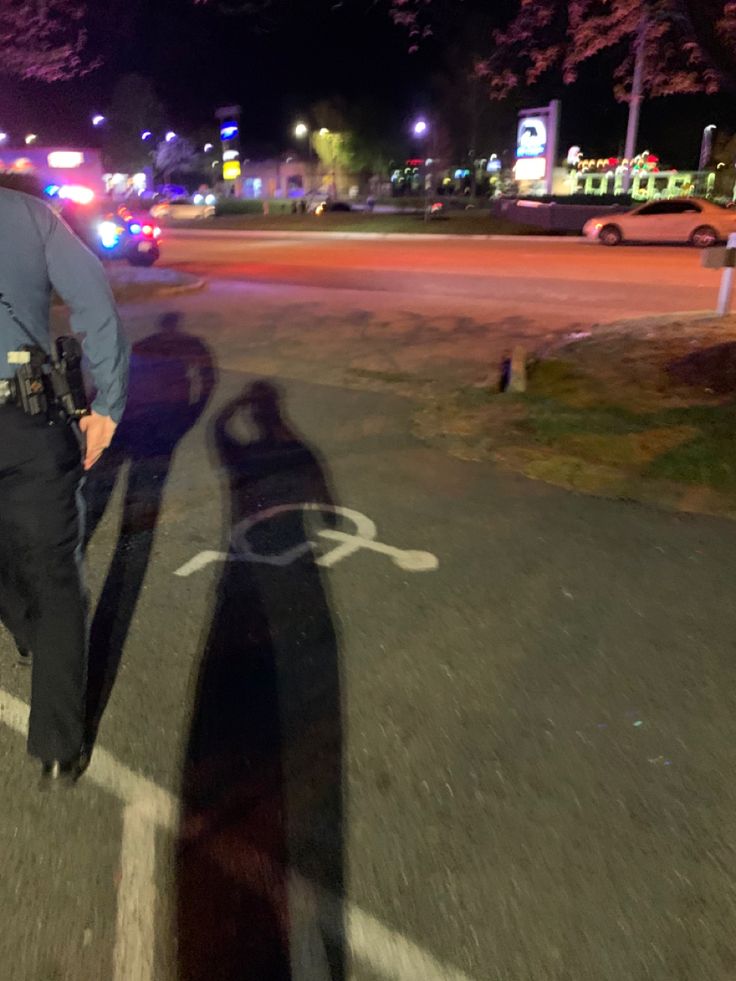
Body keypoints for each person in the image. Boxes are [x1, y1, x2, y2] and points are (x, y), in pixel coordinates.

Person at [0, 185, 129, 786]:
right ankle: (57, 747)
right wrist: (109, 400)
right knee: (55, 576)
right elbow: (92, 298)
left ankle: (29, 631)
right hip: (27, 420)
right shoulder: (28, 214)